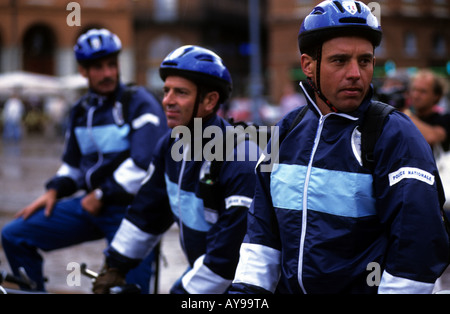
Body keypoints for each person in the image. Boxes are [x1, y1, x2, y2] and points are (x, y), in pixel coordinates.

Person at [229, 0, 449, 294]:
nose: (355, 73)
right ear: (308, 65)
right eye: (340, 60)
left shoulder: (395, 135)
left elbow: (418, 249)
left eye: (365, 60)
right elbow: (262, 234)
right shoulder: (285, 130)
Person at [1, 28, 168, 293]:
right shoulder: (79, 111)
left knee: (127, 289)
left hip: (133, 213)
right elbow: (74, 165)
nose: (108, 73)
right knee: (13, 235)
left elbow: (144, 162)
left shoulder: (139, 101)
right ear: (83, 71)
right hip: (92, 206)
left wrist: (101, 194)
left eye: (112, 65)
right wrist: (55, 190)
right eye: (98, 67)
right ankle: (32, 290)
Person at [92, 45, 259, 294]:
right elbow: (147, 211)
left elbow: (229, 256)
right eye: (166, 91)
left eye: (180, 93)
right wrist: (115, 265)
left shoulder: (240, 159)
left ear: (210, 100)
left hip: (241, 287)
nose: (167, 101)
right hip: (205, 271)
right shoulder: (170, 144)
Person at [404, 69, 450, 151]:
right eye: (414, 90)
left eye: (423, 91)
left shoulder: (445, 119)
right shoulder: (408, 117)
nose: (416, 95)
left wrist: (406, 114)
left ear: (436, 96)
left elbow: (432, 137)